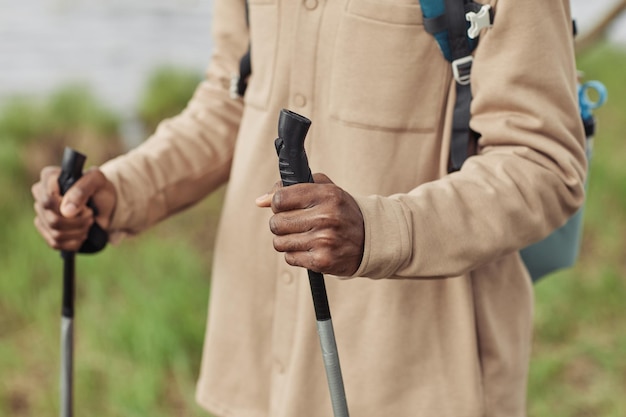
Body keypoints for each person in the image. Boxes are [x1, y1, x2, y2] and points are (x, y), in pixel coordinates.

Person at [31, 0, 586, 415]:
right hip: (253, 370)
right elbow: (234, 99)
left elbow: (541, 162)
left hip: (419, 378)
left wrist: (378, 230)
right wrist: (120, 189)